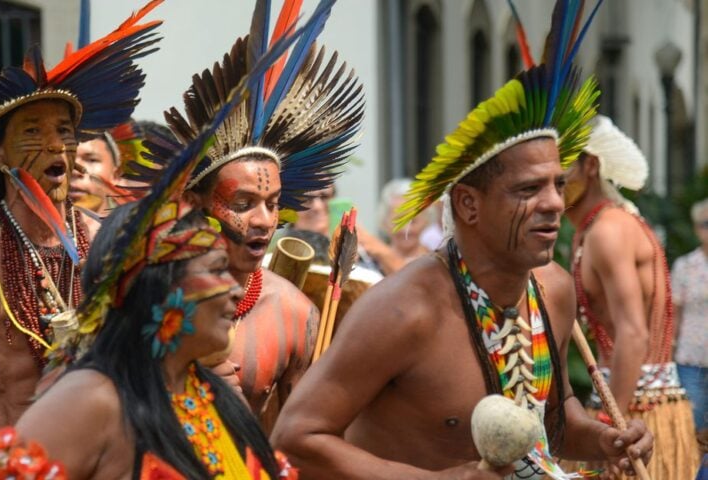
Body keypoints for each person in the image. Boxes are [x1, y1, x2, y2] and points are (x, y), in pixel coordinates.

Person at [272, 3, 653, 478]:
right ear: (469, 205)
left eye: (557, 183)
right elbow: (297, 436)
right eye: (528, 189)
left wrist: (603, 438)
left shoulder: (553, 290)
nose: (555, 203)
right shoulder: (404, 310)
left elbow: (549, 417)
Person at [0, 43, 304, 478]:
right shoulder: (90, 401)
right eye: (215, 271)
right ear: (158, 289)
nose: (231, 288)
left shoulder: (212, 396)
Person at [0, 5, 163, 478]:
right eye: (33, 132)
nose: (54, 145)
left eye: (64, 132)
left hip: (85, 463)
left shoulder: (107, 241)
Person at [128, 0, 363, 431]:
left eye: (272, 203)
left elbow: (310, 441)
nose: (263, 220)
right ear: (197, 204)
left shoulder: (293, 313)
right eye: (243, 203)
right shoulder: (141, 296)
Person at [563, 115, 699, 478]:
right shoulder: (591, 229)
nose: (550, 180)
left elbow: (633, 334)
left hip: (638, 417)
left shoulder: (608, 230)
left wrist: (611, 432)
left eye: (560, 167)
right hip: (625, 407)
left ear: (590, 166)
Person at [672, 198, 708, 436]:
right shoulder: (685, 266)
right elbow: (674, 313)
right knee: (693, 427)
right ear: (696, 229)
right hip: (690, 361)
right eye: (706, 224)